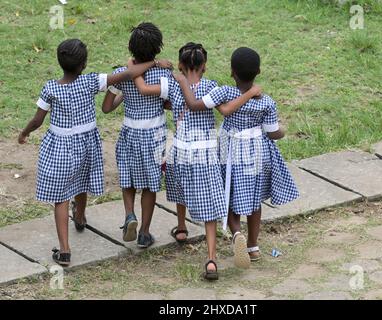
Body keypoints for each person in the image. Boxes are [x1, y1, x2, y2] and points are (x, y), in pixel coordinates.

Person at [18, 39, 159, 266]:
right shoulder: (90, 81)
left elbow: (37, 120)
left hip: (60, 147)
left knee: (60, 197)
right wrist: (154, 63)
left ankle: (64, 250)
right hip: (86, 145)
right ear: (83, 65)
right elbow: (126, 75)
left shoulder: (50, 88)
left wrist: (24, 133)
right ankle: (81, 216)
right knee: (81, 181)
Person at [133, 42, 261, 279]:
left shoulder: (171, 83)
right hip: (205, 153)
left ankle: (181, 228)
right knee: (210, 208)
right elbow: (227, 108)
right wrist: (253, 93)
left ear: (180, 66)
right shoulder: (213, 87)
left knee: (181, 191)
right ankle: (211, 259)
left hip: (179, 152)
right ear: (204, 67)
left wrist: (136, 65)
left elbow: (142, 87)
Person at [177, 47, 299, 268]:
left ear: (232, 72)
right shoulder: (267, 101)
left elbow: (195, 105)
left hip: (229, 152)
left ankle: (236, 234)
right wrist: (283, 131)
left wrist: (183, 81)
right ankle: (252, 246)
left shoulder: (224, 92)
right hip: (257, 154)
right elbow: (273, 133)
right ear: (259, 72)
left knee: (230, 197)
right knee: (254, 200)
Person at [102, 22, 173, 248]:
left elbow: (106, 108)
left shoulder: (121, 74)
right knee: (151, 184)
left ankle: (130, 215)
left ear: (131, 48)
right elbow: (169, 103)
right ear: (158, 47)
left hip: (130, 132)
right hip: (155, 135)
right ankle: (144, 232)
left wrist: (124, 93)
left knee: (129, 177)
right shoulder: (164, 73)